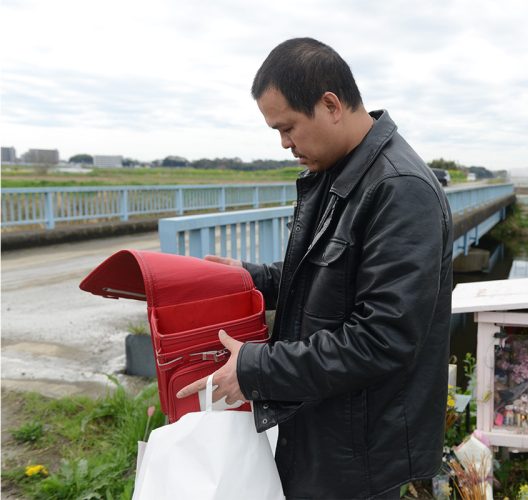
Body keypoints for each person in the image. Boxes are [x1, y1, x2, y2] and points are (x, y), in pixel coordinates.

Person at [177, 37, 453, 499]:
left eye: (287, 128)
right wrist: (248, 278)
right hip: (327, 429)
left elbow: (382, 339)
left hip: (360, 454)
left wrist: (255, 368)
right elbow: (320, 281)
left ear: (330, 104)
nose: (285, 143)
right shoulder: (340, 171)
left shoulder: (400, 189)